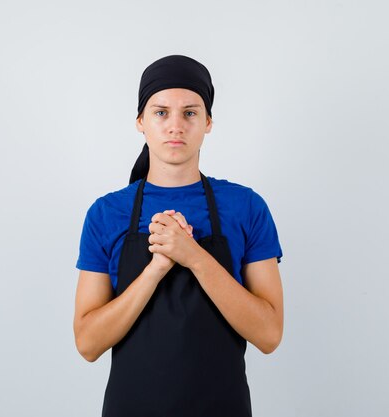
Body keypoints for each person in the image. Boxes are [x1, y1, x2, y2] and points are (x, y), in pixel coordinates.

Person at [73, 55, 284, 417]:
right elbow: (89, 343)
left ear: (208, 123)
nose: (175, 126)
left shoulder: (246, 207)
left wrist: (194, 256)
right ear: (140, 122)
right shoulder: (107, 214)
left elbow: (268, 335)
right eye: (160, 112)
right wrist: (156, 268)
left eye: (190, 113)